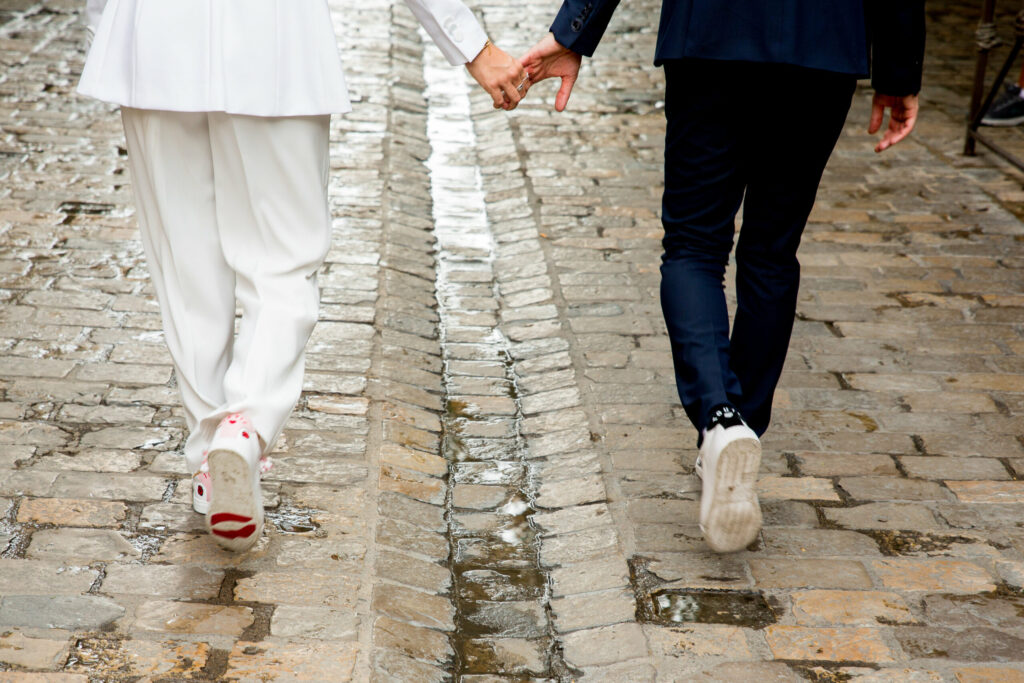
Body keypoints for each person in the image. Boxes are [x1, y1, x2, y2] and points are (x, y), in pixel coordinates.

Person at [78, 0, 530, 552]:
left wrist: (107, 32)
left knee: (185, 268)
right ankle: (243, 428)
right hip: (271, 39)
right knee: (284, 258)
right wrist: (472, 46)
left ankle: (208, 465)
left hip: (151, 36)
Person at [522, 1, 924, 553]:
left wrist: (576, 29)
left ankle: (720, 419)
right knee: (771, 252)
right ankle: (741, 431)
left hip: (711, 34)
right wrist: (899, 71)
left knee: (694, 246)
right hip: (822, 44)